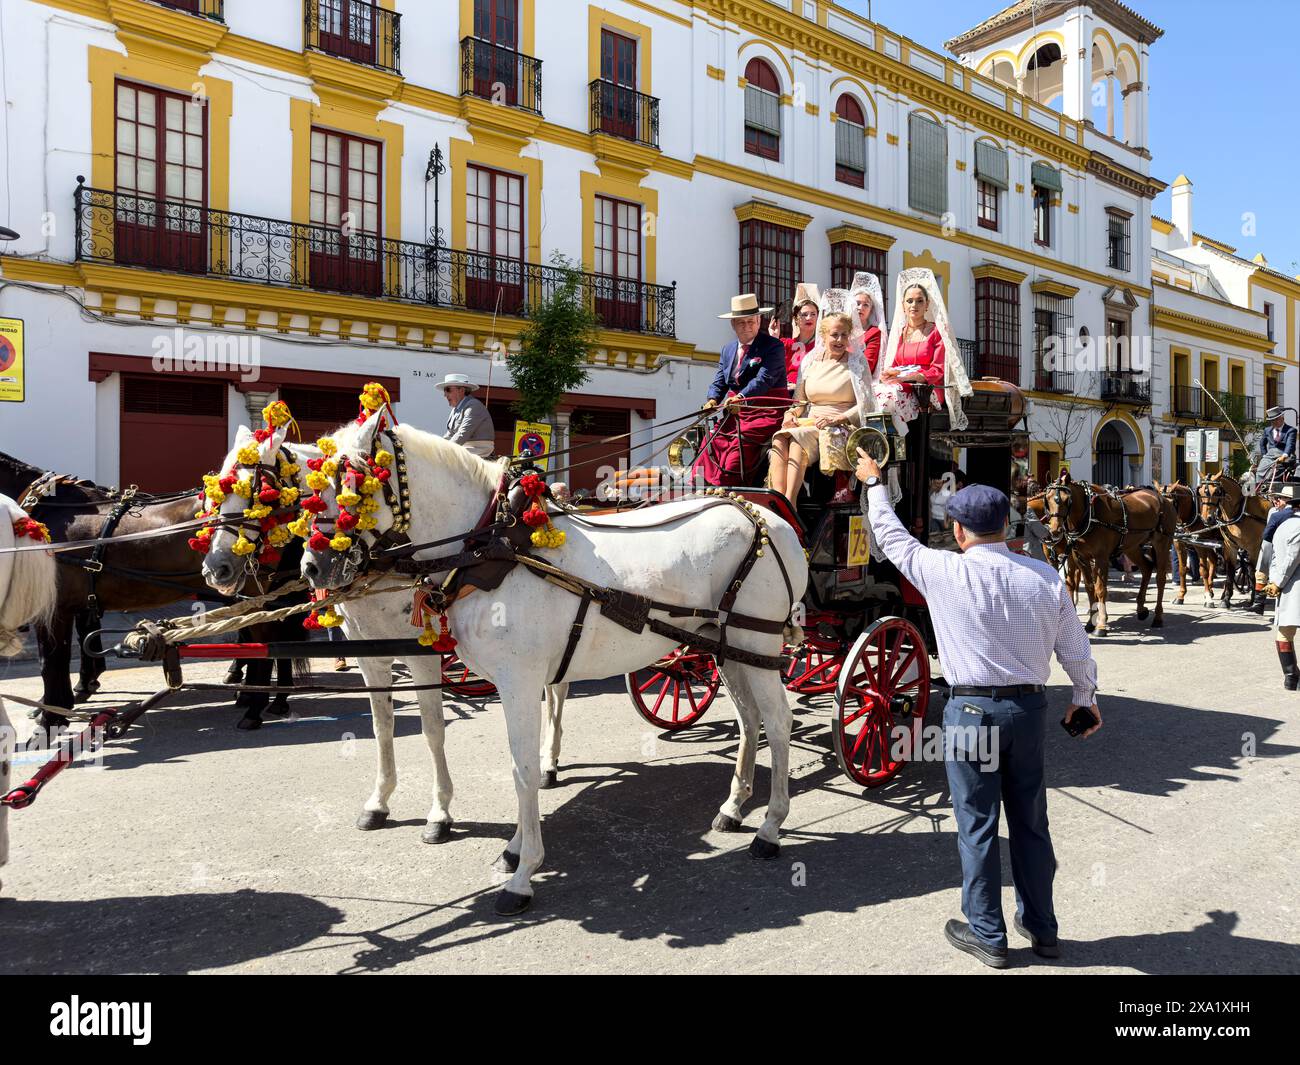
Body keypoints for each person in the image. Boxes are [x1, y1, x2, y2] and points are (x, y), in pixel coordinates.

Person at [856, 447, 1101, 968]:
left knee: (977, 823)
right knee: (1032, 822)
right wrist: (1084, 699)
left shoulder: (942, 569)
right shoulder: (1045, 576)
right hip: (1029, 712)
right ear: (1008, 528)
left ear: (960, 531)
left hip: (969, 716)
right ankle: (1042, 928)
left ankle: (987, 931)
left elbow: (893, 537)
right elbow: (1077, 650)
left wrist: (875, 482)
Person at [767, 294, 873, 505]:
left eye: (844, 335)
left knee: (797, 440)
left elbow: (866, 404)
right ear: (823, 336)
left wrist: (839, 418)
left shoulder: (856, 363)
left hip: (840, 428)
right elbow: (800, 401)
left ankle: (790, 503)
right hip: (810, 422)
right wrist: (790, 414)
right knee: (780, 436)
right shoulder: (810, 362)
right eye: (835, 335)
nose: (840, 340)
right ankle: (777, 501)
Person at [692, 294, 790, 487]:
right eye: (742, 323)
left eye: (751, 321)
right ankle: (700, 484)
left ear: (759, 320)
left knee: (738, 444)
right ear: (733, 325)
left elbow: (764, 380)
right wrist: (712, 400)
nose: (747, 327)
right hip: (736, 412)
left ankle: (727, 485)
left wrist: (742, 397)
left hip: (766, 411)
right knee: (711, 440)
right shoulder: (727, 350)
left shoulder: (773, 346)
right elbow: (720, 380)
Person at [875, 268, 972, 433]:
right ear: (903, 305)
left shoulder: (937, 332)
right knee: (876, 392)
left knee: (892, 395)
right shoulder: (899, 333)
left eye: (919, 301)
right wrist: (890, 373)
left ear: (927, 305)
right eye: (910, 301)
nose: (914, 305)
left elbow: (938, 370)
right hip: (901, 385)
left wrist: (911, 378)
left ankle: (900, 438)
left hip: (928, 389)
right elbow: (895, 364)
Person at [1263, 484, 1300, 688]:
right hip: (1293, 586)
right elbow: (1292, 559)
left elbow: (1273, 555)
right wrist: (1279, 581)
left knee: (1285, 633)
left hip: (1284, 589)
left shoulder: (1281, 525)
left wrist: (1273, 580)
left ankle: (1290, 676)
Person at [1252, 487, 1297, 616]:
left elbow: (1267, 535)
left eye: (1280, 498)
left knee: (1270, 574)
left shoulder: (1277, 514)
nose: (1277, 500)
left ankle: (1263, 604)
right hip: (1281, 549)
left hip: (1277, 548)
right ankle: (1259, 603)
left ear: (1288, 500)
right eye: (1277, 498)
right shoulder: (1274, 511)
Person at [438, 373, 495, 457]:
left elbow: (462, 434)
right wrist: (437, 447)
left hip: (478, 448)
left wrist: (446, 450)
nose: (445, 395)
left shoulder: (473, 406)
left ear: (461, 390)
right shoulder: (456, 409)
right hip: (464, 447)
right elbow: (450, 434)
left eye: (448, 390)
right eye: (445, 391)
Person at [781, 283, 821, 392]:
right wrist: (773, 338)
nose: (809, 318)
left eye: (813, 314)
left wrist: (798, 387)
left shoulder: (822, 345)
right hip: (785, 392)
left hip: (810, 393)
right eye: (804, 314)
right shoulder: (786, 344)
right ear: (796, 319)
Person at [848, 271, 886, 375]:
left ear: (871, 309)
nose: (860, 308)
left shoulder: (874, 332)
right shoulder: (843, 329)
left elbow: (868, 364)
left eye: (866, 305)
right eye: (857, 303)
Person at [1252, 406, 1297, 488]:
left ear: (1282, 418)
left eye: (1276, 419)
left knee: (1276, 470)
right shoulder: (1267, 430)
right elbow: (1262, 443)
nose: (1274, 422)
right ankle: (1258, 491)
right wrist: (1264, 455)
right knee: (1259, 471)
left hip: (1284, 455)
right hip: (1269, 456)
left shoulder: (1291, 430)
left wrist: (1285, 455)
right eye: (1272, 420)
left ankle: (1274, 488)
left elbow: (1290, 444)